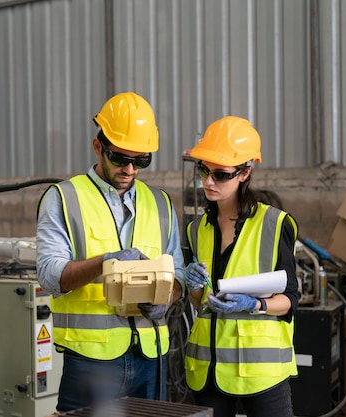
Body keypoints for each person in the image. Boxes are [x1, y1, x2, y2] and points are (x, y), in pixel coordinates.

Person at [36, 91, 186, 412]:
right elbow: (50, 277)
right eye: (120, 157)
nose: (130, 168)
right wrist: (106, 263)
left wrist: (166, 298)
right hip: (91, 361)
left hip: (150, 355)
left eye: (141, 160)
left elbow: (179, 276)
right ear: (98, 147)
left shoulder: (160, 204)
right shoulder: (64, 198)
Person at [183, 115, 299, 417]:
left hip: (260, 374)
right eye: (203, 170)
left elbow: (290, 301)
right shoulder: (197, 229)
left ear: (245, 172)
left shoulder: (275, 225)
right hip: (207, 370)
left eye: (220, 174)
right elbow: (200, 306)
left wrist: (255, 303)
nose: (208, 181)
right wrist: (194, 289)